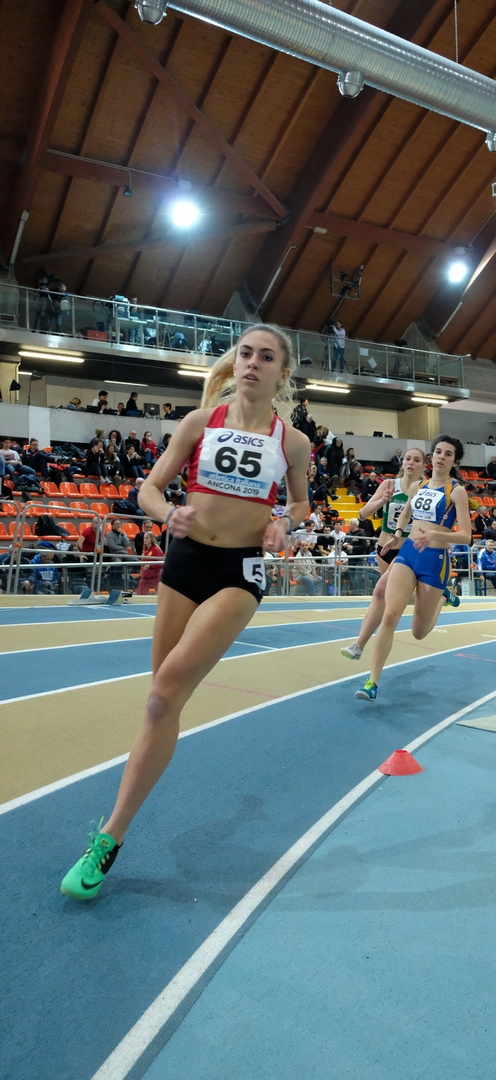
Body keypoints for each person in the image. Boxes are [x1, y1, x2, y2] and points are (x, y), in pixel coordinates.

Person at [60, 324, 310, 901]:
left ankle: (108, 838)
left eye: (265, 357)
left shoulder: (291, 442)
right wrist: (166, 513)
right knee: (161, 702)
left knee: (164, 691)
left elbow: (300, 502)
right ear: (236, 363)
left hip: (239, 572)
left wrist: (284, 523)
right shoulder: (199, 423)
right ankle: (126, 812)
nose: (252, 363)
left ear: (282, 373)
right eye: (245, 353)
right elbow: (147, 490)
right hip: (185, 562)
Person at [355, 435, 471, 701]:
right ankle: (372, 682)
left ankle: (442, 599)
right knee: (390, 615)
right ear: (432, 456)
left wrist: (435, 536)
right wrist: (398, 533)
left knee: (419, 633)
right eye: (438, 452)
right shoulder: (419, 485)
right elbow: (406, 513)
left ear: (455, 461)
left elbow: (466, 536)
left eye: (448, 454)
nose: (441, 457)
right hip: (408, 554)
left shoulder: (457, 491)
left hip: (434, 561)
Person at [341, 447, 427, 661]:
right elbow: (363, 514)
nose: (411, 462)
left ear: (423, 465)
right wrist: (382, 501)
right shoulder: (389, 485)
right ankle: (433, 598)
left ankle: (358, 644)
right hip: (384, 549)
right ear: (402, 463)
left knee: (381, 592)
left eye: (416, 460)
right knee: (388, 596)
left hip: (407, 550)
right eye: (408, 458)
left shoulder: (425, 489)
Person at [135, 531, 164, 595]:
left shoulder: (156, 550)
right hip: (145, 576)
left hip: (155, 577)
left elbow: (161, 564)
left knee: (161, 594)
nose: (145, 540)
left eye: (147, 538)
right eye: (144, 538)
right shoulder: (144, 550)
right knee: (140, 595)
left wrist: (150, 565)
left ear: (151, 539)